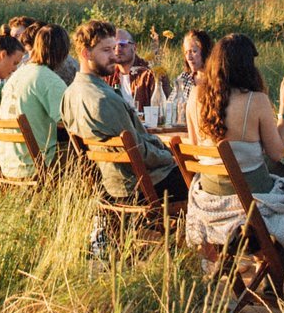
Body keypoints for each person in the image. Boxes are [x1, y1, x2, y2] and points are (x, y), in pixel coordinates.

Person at [187, 32, 284, 227]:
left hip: (209, 198)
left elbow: (196, 150)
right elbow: (276, 152)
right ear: (248, 65)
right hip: (252, 199)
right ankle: (280, 253)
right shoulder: (256, 101)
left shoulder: (195, 97)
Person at [61, 19, 185, 214]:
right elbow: (141, 152)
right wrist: (171, 157)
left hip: (109, 185)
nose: (113, 56)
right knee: (203, 181)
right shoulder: (104, 99)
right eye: (106, 51)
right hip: (140, 185)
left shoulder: (69, 95)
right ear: (86, 54)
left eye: (114, 49)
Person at [0, 22, 70, 178]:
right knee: (88, 155)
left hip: (8, 164)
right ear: (64, 52)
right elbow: (70, 123)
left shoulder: (16, 75)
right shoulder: (50, 81)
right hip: (36, 165)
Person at [113, 29, 159, 108]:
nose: (118, 49)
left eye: (122, 44)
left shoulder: (150, 75)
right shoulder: (108, 75)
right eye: (114, 46)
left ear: (134, 47)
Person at [171, 30, 215, 108]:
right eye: (186, 52)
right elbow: (170, 106)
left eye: (194, 51)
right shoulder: (184, 79)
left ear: (206, 51)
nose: (189, 57)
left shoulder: (216, 80)